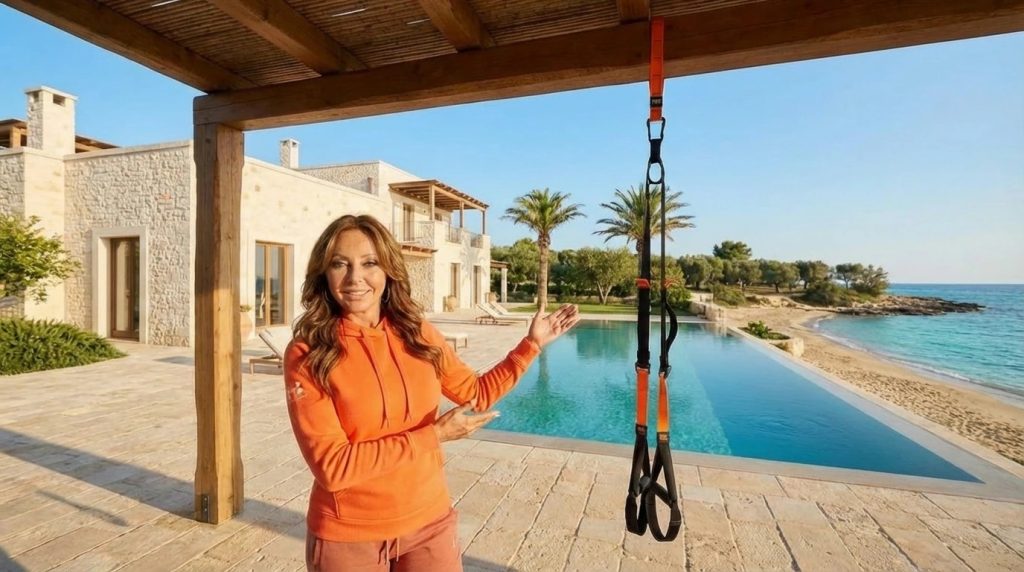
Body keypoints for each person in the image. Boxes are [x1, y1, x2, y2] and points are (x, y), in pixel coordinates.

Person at [285, 214, 580, 571]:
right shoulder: (309, 353)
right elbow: (333, 467)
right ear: (324, 273)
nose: (354, 278)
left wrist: (531, 345)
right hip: (349, 535)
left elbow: (476, 392)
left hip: (429, 522)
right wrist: (434, 435)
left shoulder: (418, 334)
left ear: (388, 270)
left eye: (369, 263)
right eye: (339, 264)